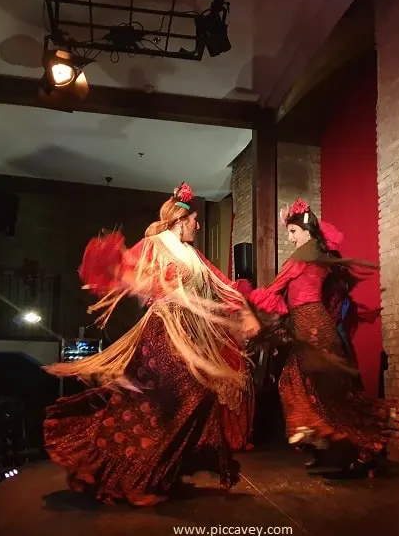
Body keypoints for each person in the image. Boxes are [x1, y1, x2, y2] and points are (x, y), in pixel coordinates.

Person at [42, 183, 260, 506]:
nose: (198, 226)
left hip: (187, 336)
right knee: (163, 402)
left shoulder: (195, 257)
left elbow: (224, 286)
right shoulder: (156, 244)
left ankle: (156, 473)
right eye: (195, 220)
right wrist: (138, 280)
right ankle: (135, 478)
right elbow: (124, 269)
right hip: (163, 333)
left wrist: (245, 313)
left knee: (188, 398)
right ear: (180, 220)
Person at [247, 198, 391, 477]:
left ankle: (361, 447)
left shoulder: (301, 258)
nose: (290, 239)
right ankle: (324, 442)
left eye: (292, 232)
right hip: (317, 323)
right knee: (310, 387)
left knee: (315, 391)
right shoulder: (319, 256)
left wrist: (249, 296)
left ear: (306, 231)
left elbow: (274, 290)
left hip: (309, 323)